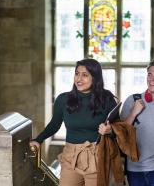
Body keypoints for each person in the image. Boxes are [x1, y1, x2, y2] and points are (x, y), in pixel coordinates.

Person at [29, 58, 117, 186]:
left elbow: (120, 129)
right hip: (71, 156)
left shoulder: (107, 99)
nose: (79, 79)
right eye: (77, 73)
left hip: (97, 156)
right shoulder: (63, 99)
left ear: (95, 78)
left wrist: (110, 131)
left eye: (85, 75)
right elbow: (54, 124)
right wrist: (38, 139)